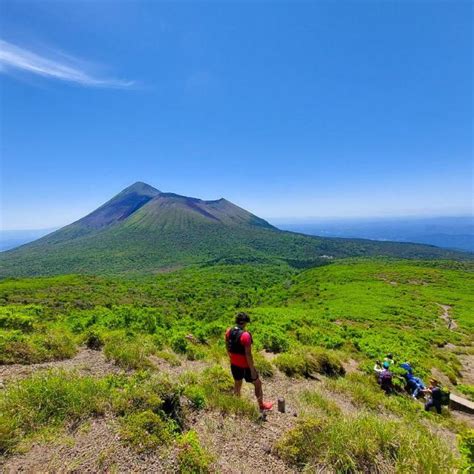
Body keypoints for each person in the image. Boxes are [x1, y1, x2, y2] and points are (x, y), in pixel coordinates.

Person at [225, 312, 273, 411]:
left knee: (237, 383)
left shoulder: (229, 331)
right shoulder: (245, 335)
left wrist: (231, 358)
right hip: (245, 366)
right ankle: (261, 405)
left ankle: (237, 404)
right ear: (244, 322)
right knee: (257, 384)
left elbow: (227, 347)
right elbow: (248, 354)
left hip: (234, 364)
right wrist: (252, 370)